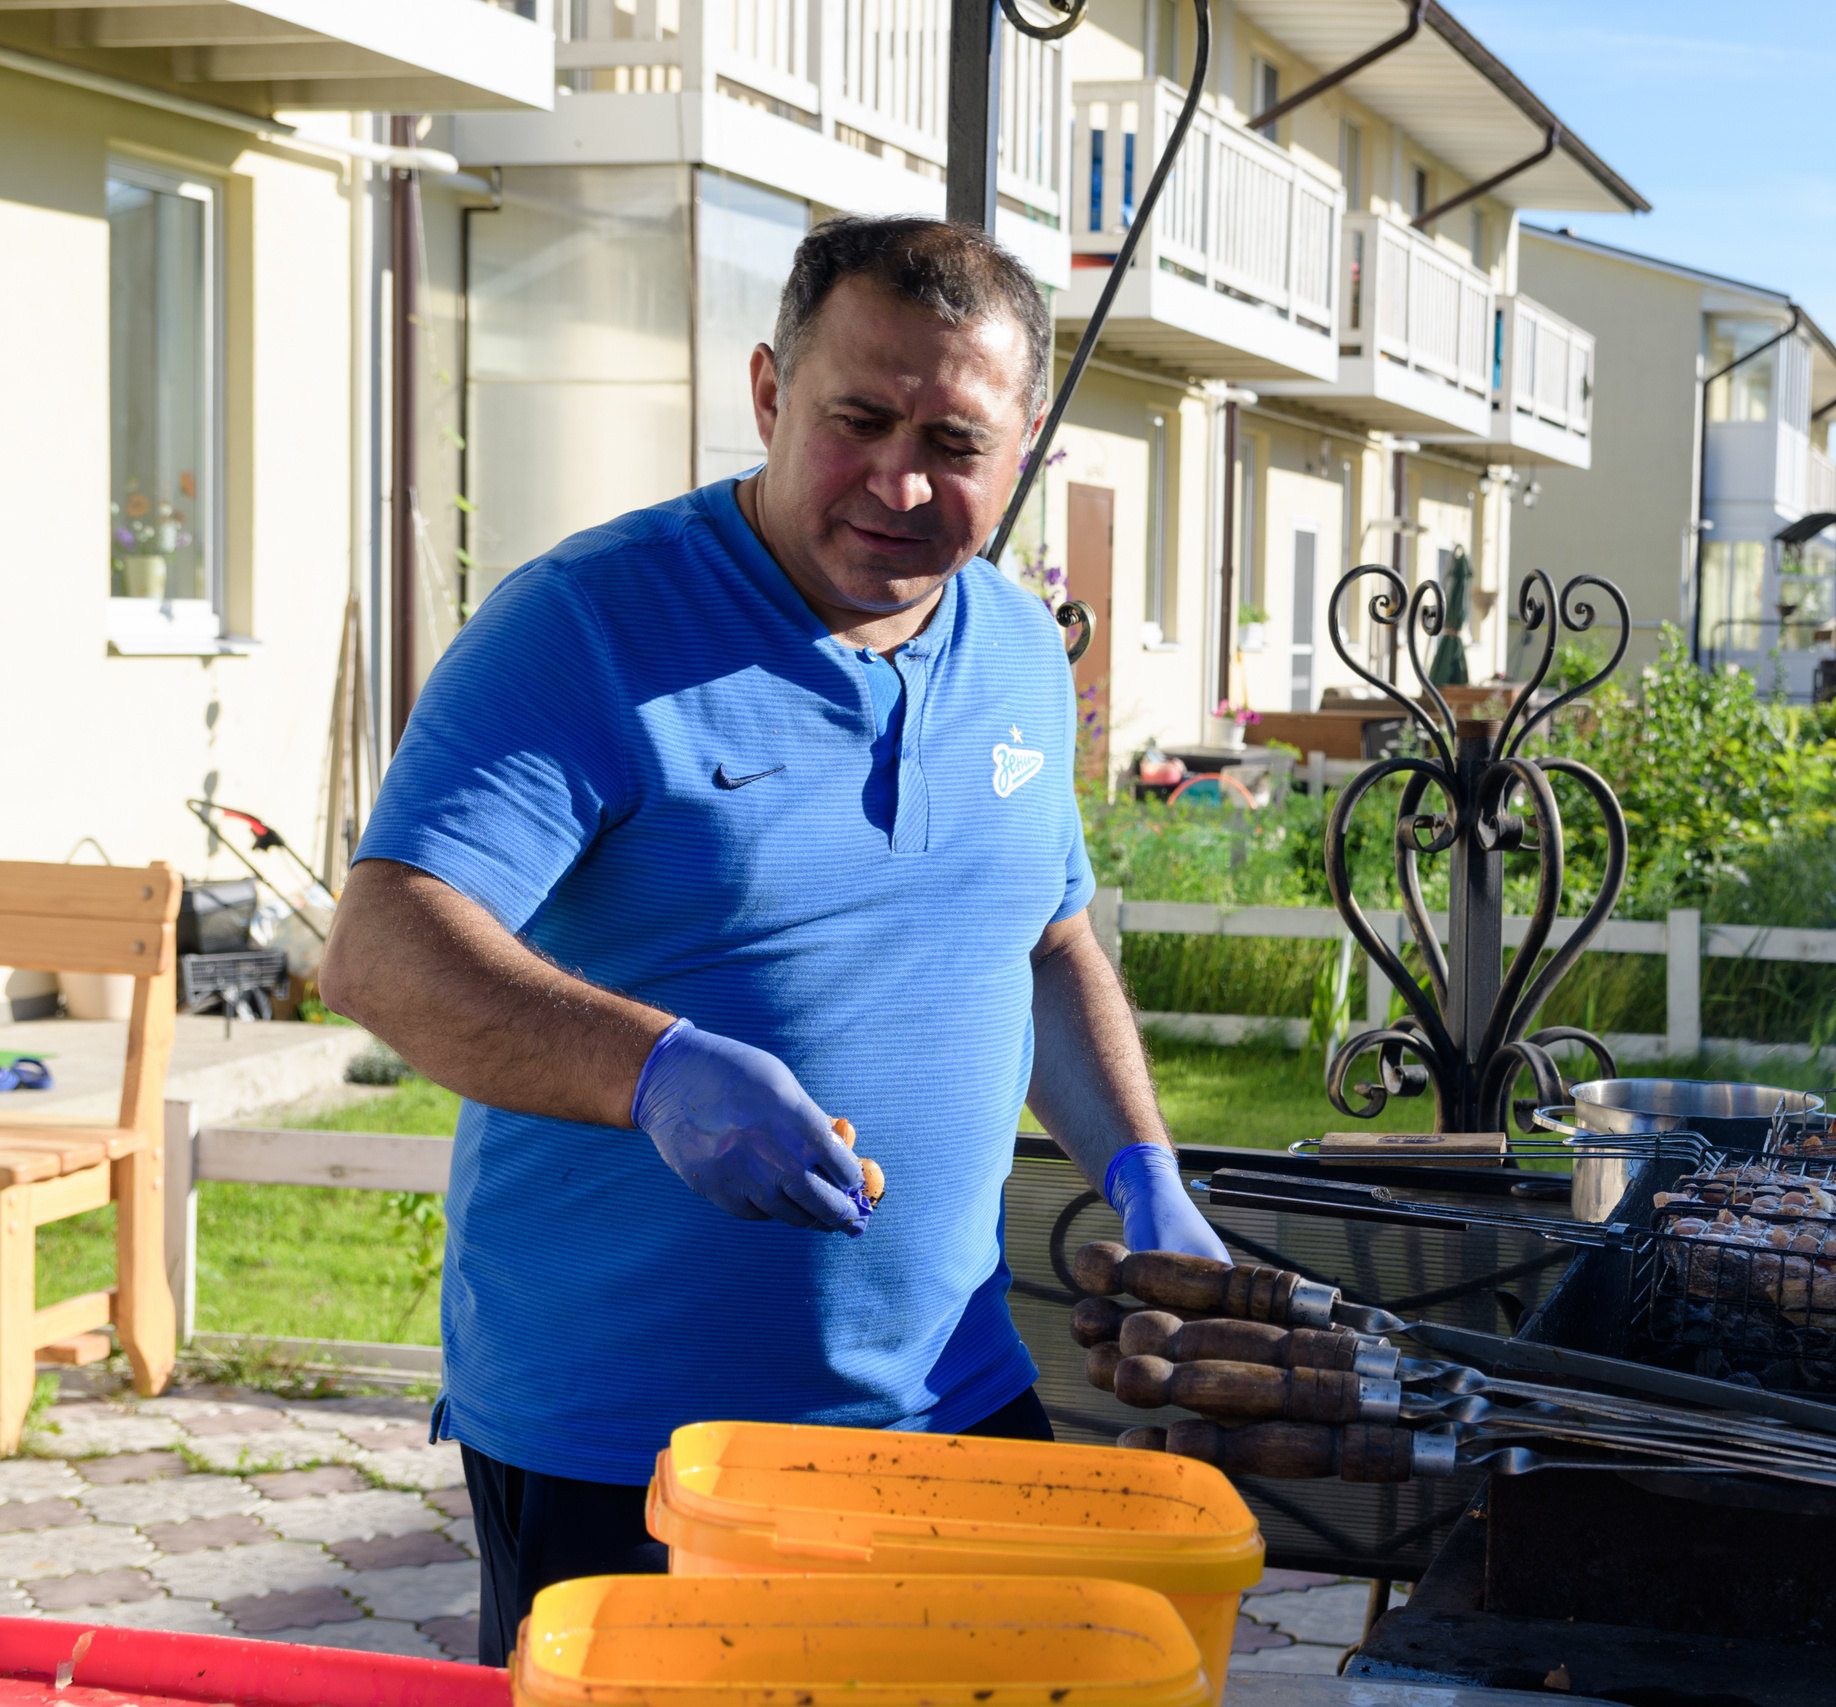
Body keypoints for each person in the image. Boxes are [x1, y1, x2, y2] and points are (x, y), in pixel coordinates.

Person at [318, 216, 1227, 1664]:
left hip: (952, 1394)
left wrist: (1143, 1170)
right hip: (634, 1443)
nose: (901, 480)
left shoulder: (1014, 648)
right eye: (856, 419)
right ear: (767, 393)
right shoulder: (587, 625)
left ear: (1026, 441)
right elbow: (382, 950)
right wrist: (654, 1069)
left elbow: (1044, 940)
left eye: (955, 440)